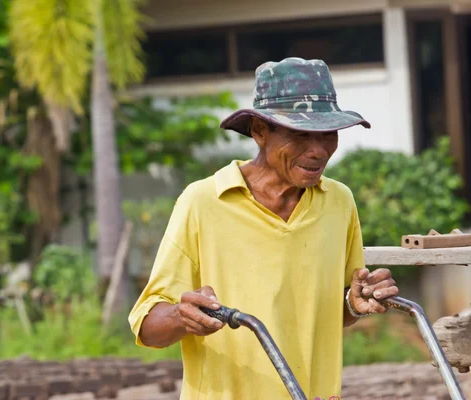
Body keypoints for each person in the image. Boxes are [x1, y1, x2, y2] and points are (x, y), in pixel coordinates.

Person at [128, 57, 399, 399]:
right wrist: (184, 318)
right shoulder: (204, 202)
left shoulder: (339, 202)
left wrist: (354, 303)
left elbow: (335, 312)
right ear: (259, 131)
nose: (318, 150)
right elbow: (149, 329)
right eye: (301, 133)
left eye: (328, 133)